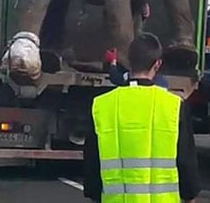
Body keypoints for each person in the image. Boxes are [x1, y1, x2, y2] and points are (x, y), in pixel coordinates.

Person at [84, 33, 200, 203]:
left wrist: (95, 194)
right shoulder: (174, 106)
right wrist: (190, 195)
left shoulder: (102, 105)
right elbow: (186, 161)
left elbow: (93, 162)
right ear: (157, 64)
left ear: (129, 62)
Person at [104, 47, 169, 89]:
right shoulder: (162, 83)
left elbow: (115, 78)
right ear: (157, 64)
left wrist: (113, 61)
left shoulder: (127, 77)